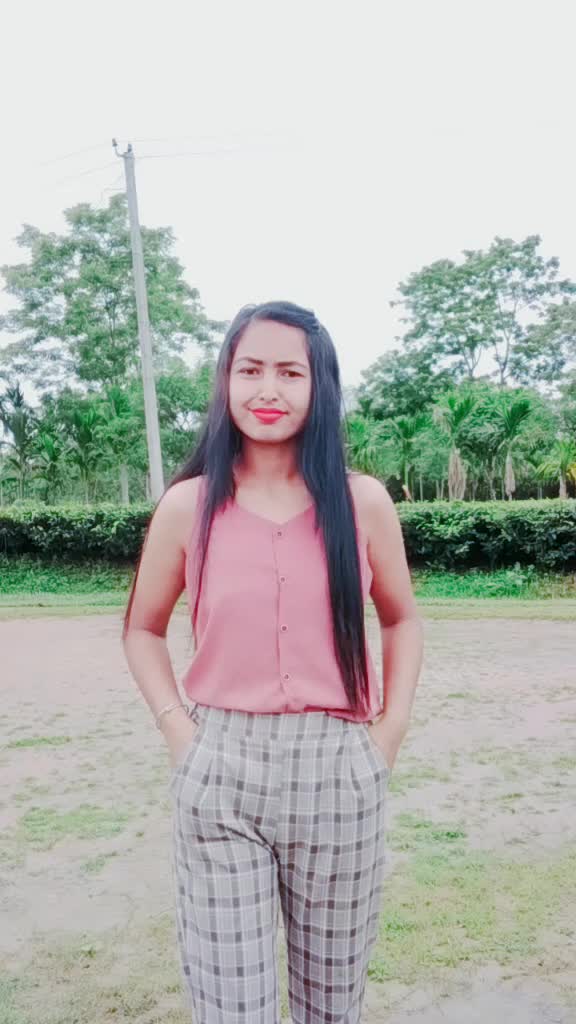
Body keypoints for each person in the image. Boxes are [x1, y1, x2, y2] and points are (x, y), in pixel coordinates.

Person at [122, 300, 423, 1023]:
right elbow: (142, 629)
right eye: (250, 369)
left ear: (320, 385)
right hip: (221, 769)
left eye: (290, 372)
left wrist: (387, 737)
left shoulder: (362, 502)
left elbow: (402, 619)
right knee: (233, 1005)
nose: (268, 390)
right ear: (226, 380)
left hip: (339, 771)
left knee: (333, 1004)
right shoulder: (188, 505)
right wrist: (180, 733)